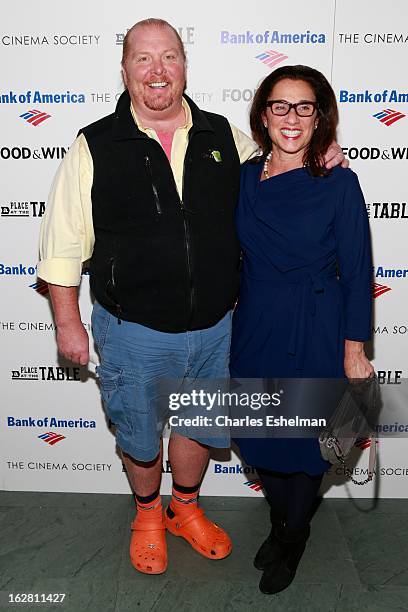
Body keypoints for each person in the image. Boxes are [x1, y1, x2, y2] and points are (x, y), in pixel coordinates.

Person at [37, 19, 346, 576]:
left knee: (200, 426)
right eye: (143, 59)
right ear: (125, 69)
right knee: (137, 430)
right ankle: (148, 515)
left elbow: (283, 155)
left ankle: (185, 507)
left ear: (184, 64)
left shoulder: (224, 135)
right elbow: (62, 247)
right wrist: (67, 323)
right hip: (131, 328)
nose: (158, 71)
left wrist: (323, 153)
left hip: (215, 327)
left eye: (169, 57)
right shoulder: (95, 144)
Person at [229, 65, 374, 594]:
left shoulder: (339, 182)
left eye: (304, 106)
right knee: (258, 437)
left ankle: (292, 537)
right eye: (280, 106)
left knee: (306, 444)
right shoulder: (243, 176)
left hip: (316, 324)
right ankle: (279, 522)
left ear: (319, 117)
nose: (291, 118)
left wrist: (355, 351)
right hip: (256, 323)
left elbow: (358, 272)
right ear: (263, 115)